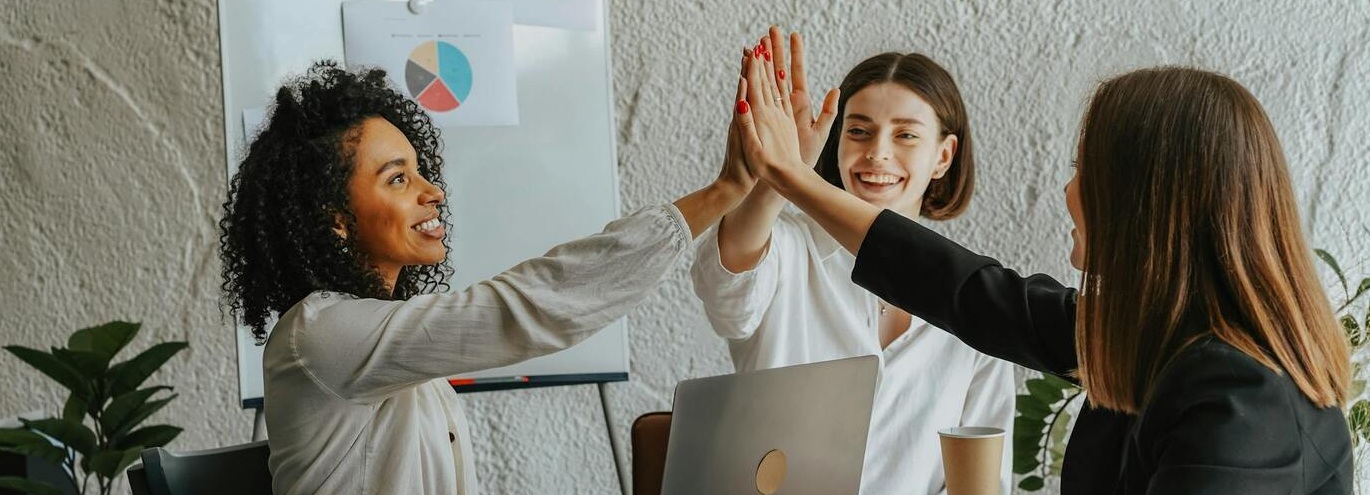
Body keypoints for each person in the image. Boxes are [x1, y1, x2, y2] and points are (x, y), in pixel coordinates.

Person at [733, 58, 1354, 493]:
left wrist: (796, 178)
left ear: (1149, 205)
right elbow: (970, 292)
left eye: (1087, 170)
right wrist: (794, 179)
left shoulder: (1243, 400)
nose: (1068, 191)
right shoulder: (1161, 336)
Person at [218, 60, 755, 495]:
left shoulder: (385, 344)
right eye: (398, 179)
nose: (433, 192)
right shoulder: (322, 334)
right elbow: (523, 307)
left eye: (419, 169)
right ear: (334, 218)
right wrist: (723, 191)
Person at [691, 28, 1013, 493]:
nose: (877, 152)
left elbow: (985, 476)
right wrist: (779, 175)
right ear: (836, 141)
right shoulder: (785, 249)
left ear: (943, 156)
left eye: (905, 134)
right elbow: (725, 292)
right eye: (858, 130)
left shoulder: (976, 293)